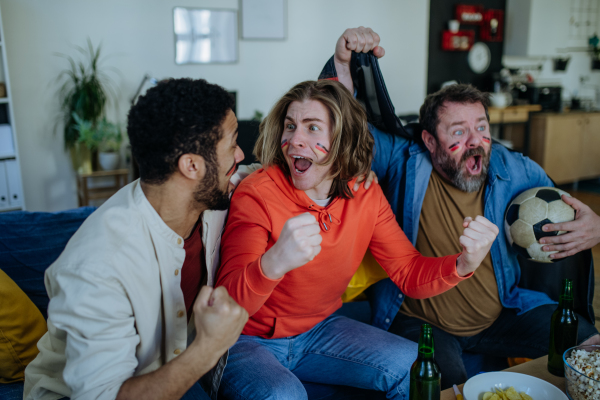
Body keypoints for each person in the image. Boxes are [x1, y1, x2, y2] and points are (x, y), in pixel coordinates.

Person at [326, 27, 600, 389]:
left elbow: (573, 213)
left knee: (588, 346)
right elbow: (345, 130)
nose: (476, 142)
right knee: (447, 386)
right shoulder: (403, 160)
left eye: (481, 127)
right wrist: (343, 64)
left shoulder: (515, 168)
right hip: (421, 320)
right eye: (457, 132)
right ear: (429, 139)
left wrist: (596, 225)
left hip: (504, 312)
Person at [215, 79, 499, 399]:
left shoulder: (365, 194)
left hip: (319, 329)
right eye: (291, 126)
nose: (295, 139)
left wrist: (463, 264)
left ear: (342, 138)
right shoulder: (258, 192)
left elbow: (408, 271)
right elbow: (228, 305)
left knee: (414, 367)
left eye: (312, 128)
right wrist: (273, 263)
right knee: (283, 395)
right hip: (246, 339)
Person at [23, 78, 249, 400]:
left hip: (166, 372)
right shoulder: (95, 268)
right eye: (233, 144)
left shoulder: (209, 196)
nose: (240, 153)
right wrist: (209, 347)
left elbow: (270, 173)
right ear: (192, 166)